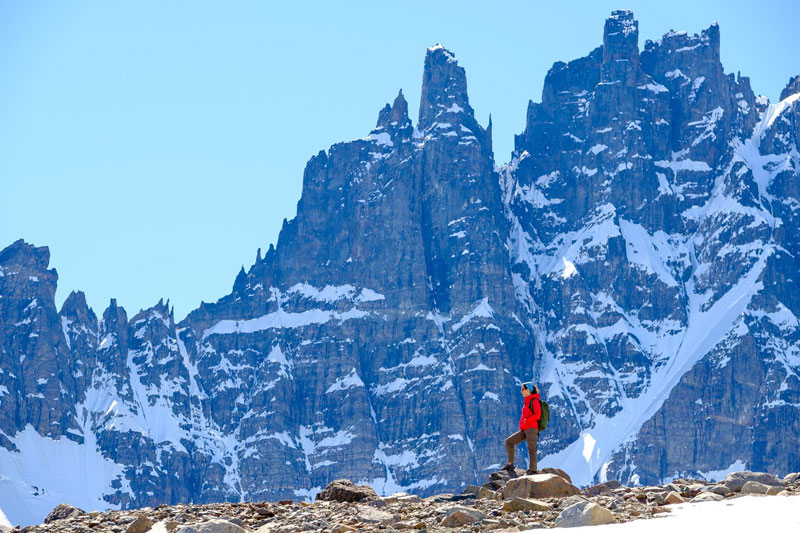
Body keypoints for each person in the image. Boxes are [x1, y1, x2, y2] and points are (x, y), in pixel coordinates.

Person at [502, 382, 541, 475]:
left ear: (528, 390)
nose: (521, 391)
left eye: (523, 389)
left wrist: (527, 420)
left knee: (532, 449)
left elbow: (538, 415)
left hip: (532, 428)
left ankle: (533, 469)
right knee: (509, 442)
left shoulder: (534, 401)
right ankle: (510, 464)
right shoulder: (527, 402)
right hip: (524, 429)